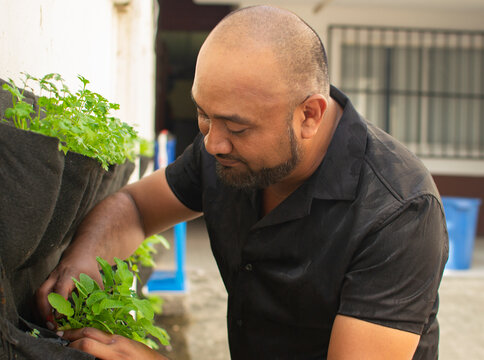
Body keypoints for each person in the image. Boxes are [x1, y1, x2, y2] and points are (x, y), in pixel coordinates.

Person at [37, 5, 448, 360]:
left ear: (309, 115)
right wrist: (85, 256)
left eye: (236, 126)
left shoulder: (399, 211)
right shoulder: (222, 146)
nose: (212, 142)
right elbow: (137, 208)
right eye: (203, 114)